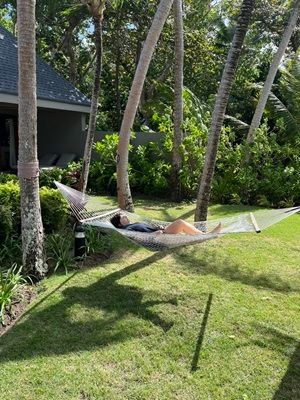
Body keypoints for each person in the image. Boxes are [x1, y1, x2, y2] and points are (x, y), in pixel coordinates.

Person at [110, 212, 221, 235]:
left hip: (162, 230)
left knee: (182, 225)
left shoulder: (133, 224)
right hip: (161, 235)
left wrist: (158, 227)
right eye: (122, 217)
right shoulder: (127, 229)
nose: (125, 216)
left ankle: (201, 234)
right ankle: (206, 235)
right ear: (119, 224)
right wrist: (155, 233)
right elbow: (138, 237)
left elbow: (146, 229)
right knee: (180, 223)